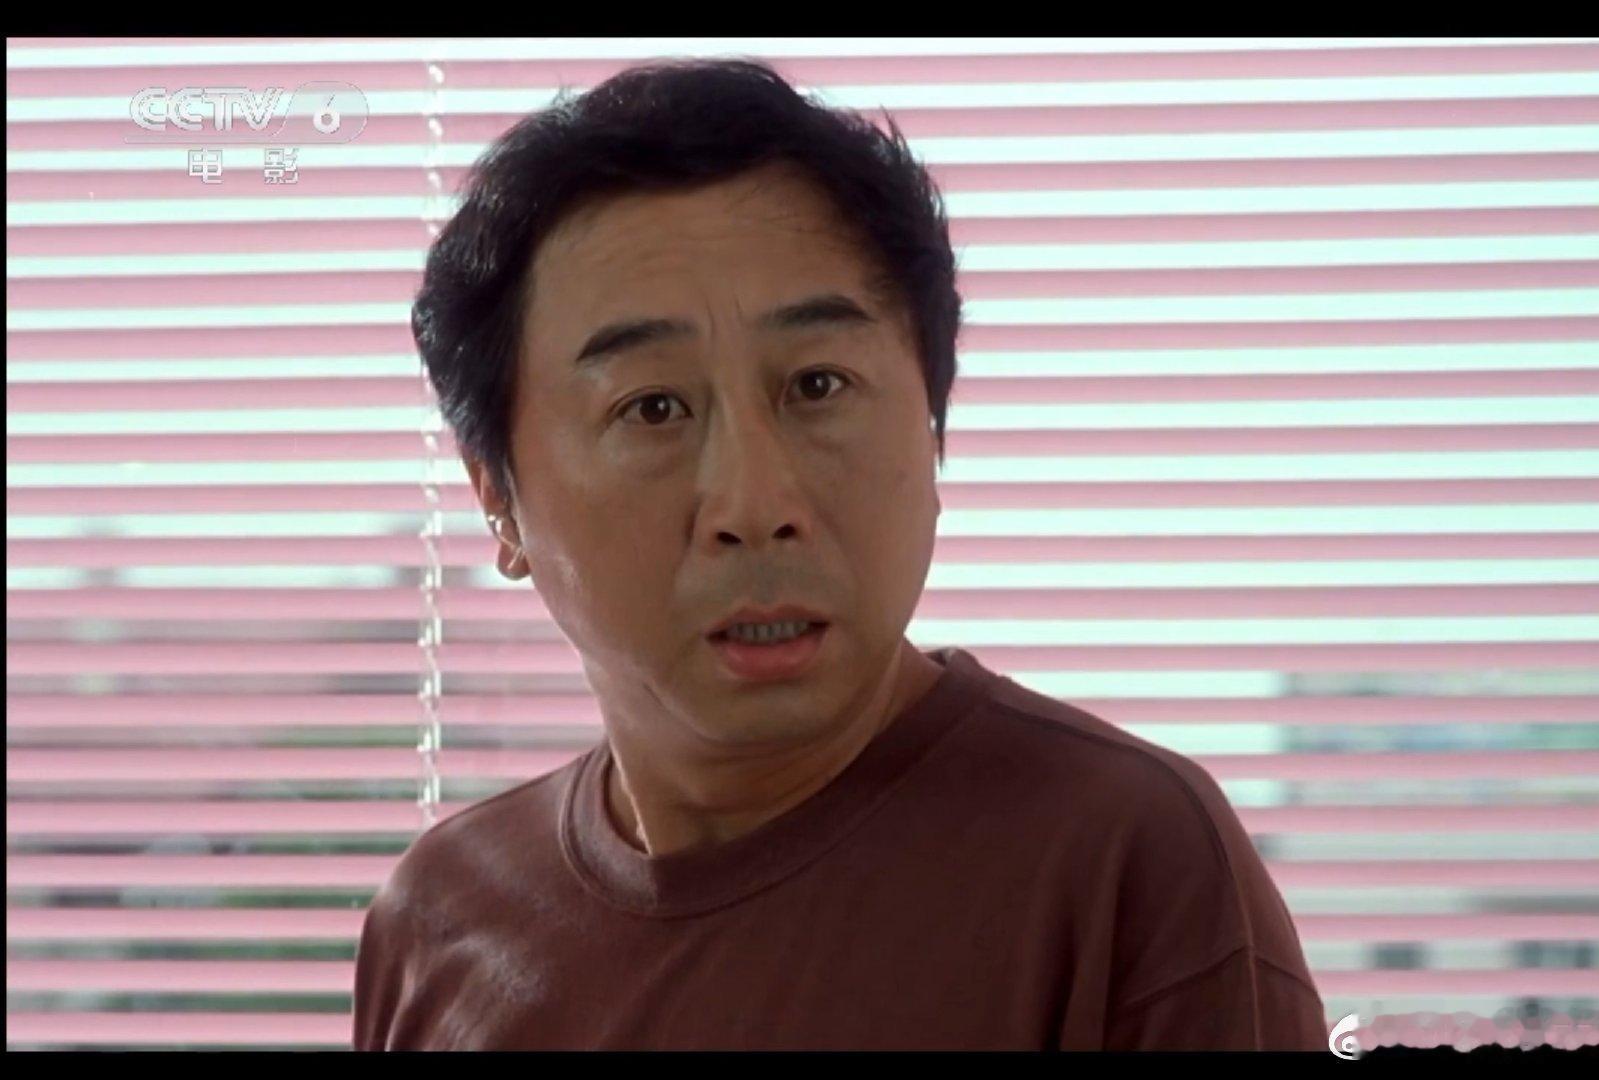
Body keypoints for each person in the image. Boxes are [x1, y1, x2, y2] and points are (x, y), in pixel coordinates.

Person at [352, 56, 1324, 1051]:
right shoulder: (440, 925)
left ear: (933, 427)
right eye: (653, 407)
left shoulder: (1126, 863)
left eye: (817, 386)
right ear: (497, 497)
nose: (754, 506)